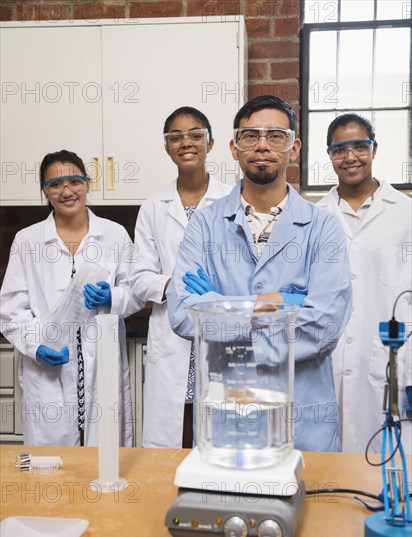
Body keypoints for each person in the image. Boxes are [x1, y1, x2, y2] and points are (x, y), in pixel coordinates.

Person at [167, 95, 352, 452]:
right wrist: (274, 304)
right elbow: (183, 314)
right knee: (227, 507)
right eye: (250, 136)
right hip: (227, 421)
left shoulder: (322, 227)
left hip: (303, 421)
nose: (263, 145)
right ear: (235, 148)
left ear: (294, 147)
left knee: (306, 505)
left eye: (276, 136)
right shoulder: (204, 224)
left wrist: (224, 308)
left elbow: (325, 324)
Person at [0, 150, 139, 446]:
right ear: (44, 191)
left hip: (102, 362)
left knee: (104, 462)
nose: (66, 191)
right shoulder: (28, 240)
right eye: (55, 184)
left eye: (74, 181)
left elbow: (135, 293)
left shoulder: (114, 235)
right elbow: (11, 310)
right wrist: (37, 345)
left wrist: (112, 297)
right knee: (53, 467)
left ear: (88, 183)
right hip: (49, 370)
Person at [130, 107, 232, 448]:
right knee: (174, 431)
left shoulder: (233, 200)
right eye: (175, 137)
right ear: (167, 147)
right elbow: (139, 276)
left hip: (219, 329)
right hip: (171, 335)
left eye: (194, 135)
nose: (185, 142)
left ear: (210, 142)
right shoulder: (154, 206)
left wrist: (218, 292)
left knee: (217, 430)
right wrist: (174, 286)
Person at [318, 113, 412, 453]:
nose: (351, 157)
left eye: (360, 146)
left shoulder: (405, 213)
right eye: (340, 149)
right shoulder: (316, 215)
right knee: (328, 463)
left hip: (390, 358)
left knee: (388, 460)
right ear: (329, 155)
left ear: (375, 149)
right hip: (329, 358)